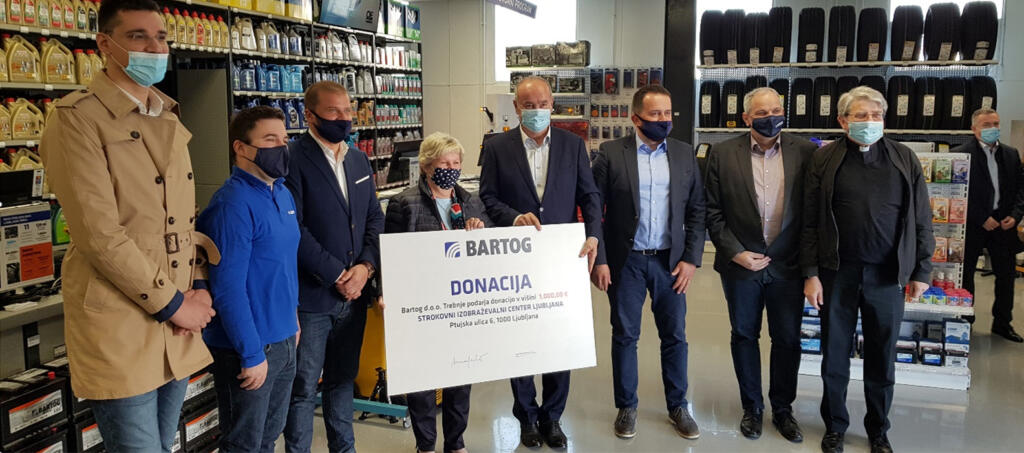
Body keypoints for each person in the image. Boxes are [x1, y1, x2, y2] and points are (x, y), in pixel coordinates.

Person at [39, 0, 218, 450]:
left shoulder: (167, 116)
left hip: (176, 318)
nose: (154, 48)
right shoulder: (76, 118)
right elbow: (99, 237)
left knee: (164, 443)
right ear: (105, 43)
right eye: (138, 36)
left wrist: (198, 285)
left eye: (161, 37)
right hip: (122, 323)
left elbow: (184, 221)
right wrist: (174, 304)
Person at [801, 86, 934, 453]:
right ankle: (835, 427)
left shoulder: (904, 158)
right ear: (843, 121)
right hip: (837, 274)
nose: (870, 121)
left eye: (876, 115)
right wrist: (811, 273)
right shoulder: (824, 159)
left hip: (887, 276)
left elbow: (922, 218)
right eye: (861, 115)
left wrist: (922, 271)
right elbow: (810, 221)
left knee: (882, 357)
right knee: (834, 355)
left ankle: (878, 430)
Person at [478, 76, 603, 449]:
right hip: (515, 259)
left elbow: (589, 195)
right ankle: (526, 417)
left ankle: (552, 417)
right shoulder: (496, 147)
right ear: (516, 107)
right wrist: (514, 216)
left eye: (542, 104)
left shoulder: (572, 145)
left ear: (553, 104)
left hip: (561, 258)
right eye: (528, 105)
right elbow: (487, 197)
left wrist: (594, 236)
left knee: (558, 341)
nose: (536, 111)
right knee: (520, 341)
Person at [591, 84, 705, 441]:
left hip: (670, 263)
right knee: (625, 335)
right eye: (655, 114)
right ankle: (627, 406)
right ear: (636, 118)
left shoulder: (684, 154)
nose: (663, 120)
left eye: (668, 114)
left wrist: (691, 259)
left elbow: (697, 210)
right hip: (627, 262)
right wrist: (600, 260)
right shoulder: (612, 153)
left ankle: (678, 406)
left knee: (675, 336)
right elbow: (595, 209)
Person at [704, 87, 816, 442]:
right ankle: (752, 408)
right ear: (746, 118)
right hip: (741, 265)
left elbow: (811, 214)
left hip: (788, 264)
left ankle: (783, 409)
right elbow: (712, 211)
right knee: (744, 335)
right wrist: (734, 251)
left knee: (787, 339)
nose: (771, 117)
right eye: (762, 113)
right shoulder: (722, 153)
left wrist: (810, 268)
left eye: (777, 110)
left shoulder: (806, 152)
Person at [284, 81, 385, 453]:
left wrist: (365, 267)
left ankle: (344, 448)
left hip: (354, 297)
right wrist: (337, 274)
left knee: (343, 381)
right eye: (333, 111)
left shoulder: (357, 159)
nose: (343, 118)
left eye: (347, 110)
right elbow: (293, 228)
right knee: (302, 387)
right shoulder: (292, 159)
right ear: (310, 115)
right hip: (313, 297)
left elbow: (373, 217)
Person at [198, 107, 300, 453]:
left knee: (268, 439)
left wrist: (293, 320)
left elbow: (284, 266)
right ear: (241, 148)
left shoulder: (282, 194)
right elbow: (227, 289)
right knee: (243, 445)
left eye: (284, 139)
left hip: (284, 338)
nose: (281, 147)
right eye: (270, 140)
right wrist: (251, 353)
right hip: (249, 346)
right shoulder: (231, 205)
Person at [383, 132, 489, 453]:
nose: (452, 169)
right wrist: (389, 293)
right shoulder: (404, 203)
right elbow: (392, 256)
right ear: (427, 166)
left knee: (460, 376)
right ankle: (426, 445)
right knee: (422, 379)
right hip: (422, 304)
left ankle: (455, 443)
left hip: (461, 302)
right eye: (444, 163)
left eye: (456, 163)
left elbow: (488, 251)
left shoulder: (471, 201)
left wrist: (480, 231)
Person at [951, 108, 1024, 343]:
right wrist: (981, 217)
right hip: (973, 226)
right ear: (974, 129)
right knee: (966, 276)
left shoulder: (1011, 154)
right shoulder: (960, 154)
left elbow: (1020, 189)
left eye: (996, 123)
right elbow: (957, 192)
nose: (993, 128)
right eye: (986, 124)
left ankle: (1003, 323)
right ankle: (965, 321)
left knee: (1006, 276)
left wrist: (1015, 215)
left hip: (1004, 225)